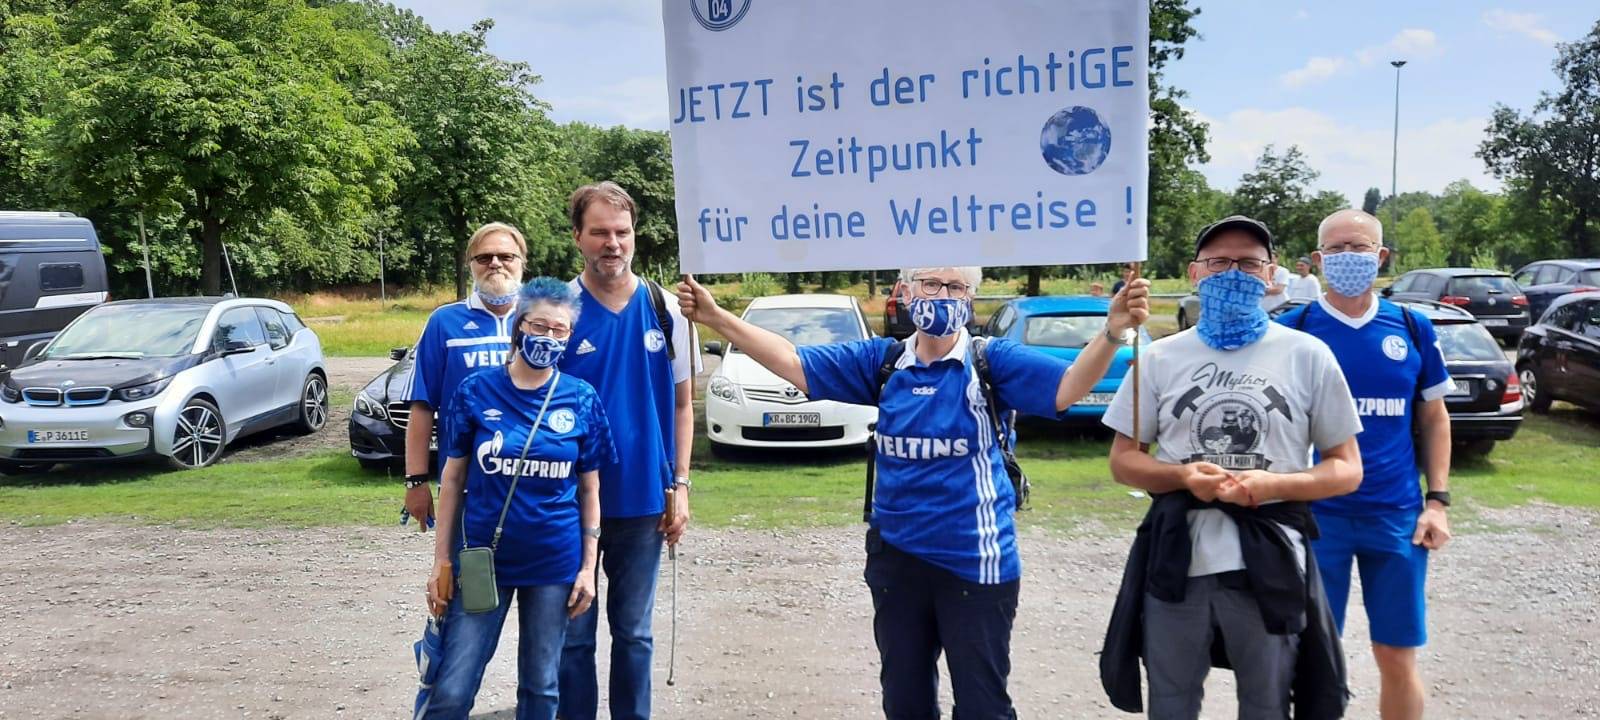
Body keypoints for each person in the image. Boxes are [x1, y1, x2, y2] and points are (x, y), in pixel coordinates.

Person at [678, 265, 1151, 719]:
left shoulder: (990, 361)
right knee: (905, 703)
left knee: (983, 705)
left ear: (970, 299)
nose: (942, 295)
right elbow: (794, 362)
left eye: (956, 287)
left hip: (977, 562)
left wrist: (1112, 332)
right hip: (897, 559)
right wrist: (716, 316)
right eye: (930, 283)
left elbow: (1067, 389)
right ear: (905, 292)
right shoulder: (883, 362)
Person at [1099, 215, 1365, 719]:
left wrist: (1275, 485)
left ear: (1272, 275)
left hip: (1270, 562)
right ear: (1194, 273)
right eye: (1219, 262)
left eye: (1248, 263)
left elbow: (1346, 468)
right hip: (1178, 559)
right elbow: (1124, 461)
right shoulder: (1160, 358)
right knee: (1171, 704)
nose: (1233, 273)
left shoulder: (1308, 355)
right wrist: (1180, 476)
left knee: (1266, 705)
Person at [1276, 209, 1453, 720]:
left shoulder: (1412, 328)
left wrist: (1437, 502)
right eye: (1335, 249)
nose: (1347, 257)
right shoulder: (1294, 329)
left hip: (1395, 517)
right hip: (1314, 518)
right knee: (1309, 658)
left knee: (1396, 655)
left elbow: (1436, 418)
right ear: (1316, 260)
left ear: (1381, 257)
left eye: (1358, 247)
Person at [419, 278, 615, 720]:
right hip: (484, 561)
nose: (547, 337)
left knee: (542, 690)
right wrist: (441, 561)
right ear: (519, 326)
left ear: (569, 337)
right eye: (538, 326)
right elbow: (451, 480)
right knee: (453, 687)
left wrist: (588, 567)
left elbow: (591, 488)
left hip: (554, 563)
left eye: (558, 330)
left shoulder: (582, 399)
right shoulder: (475, 390)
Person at [557, 182, 700, 720]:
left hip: (645, 501)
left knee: (635, 635)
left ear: (634, 236)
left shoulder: (668, 310)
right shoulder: (557, 312)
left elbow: (683, 407)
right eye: (599, 233)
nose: (612, 243)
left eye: (622, 232)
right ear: (578, 238)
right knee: (573, 639)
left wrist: (680, 484)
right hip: (567, 502)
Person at [404, 223, 528, 530]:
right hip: (465, 486)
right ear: (469, 265)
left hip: (537, 485)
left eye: (505, 256)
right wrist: (415, 480)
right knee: (470, 576)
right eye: (484, 258)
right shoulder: (444, 322)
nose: (495, 264)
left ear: (523, 262)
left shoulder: (547, 319)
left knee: (539, 577)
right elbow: (422, 407)